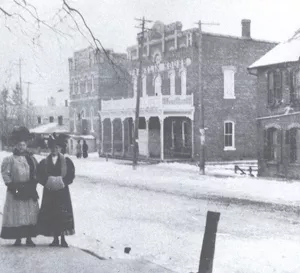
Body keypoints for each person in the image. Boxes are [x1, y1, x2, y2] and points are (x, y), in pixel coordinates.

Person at [0, 126, 39, 246]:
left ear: (26, 146)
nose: (21, 147)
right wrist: (11, 185)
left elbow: (37, 172)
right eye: (19, 145)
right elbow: (5, 173)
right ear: (16, 146)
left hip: (28, 189)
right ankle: (18, 238)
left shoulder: (31, 159)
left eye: (23, 145)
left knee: (29, 214)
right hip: (15, 190)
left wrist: (33, 183)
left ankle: (29, 238)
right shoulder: (10, 159)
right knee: (17, 214)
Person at [37, 133, 75, 247]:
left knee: (62, 214)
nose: (54, 150)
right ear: (50, 149)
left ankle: (63, 238)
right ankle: (55, 238)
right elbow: (39, 175)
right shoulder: (45, 162)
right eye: (52, 148)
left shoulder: (66, 161)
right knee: (52, 213)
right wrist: (47, 182)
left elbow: (70, 175)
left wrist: (63, 182)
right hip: (49, 192)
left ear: (60, 149)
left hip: (62, 192)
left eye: (57, 148)